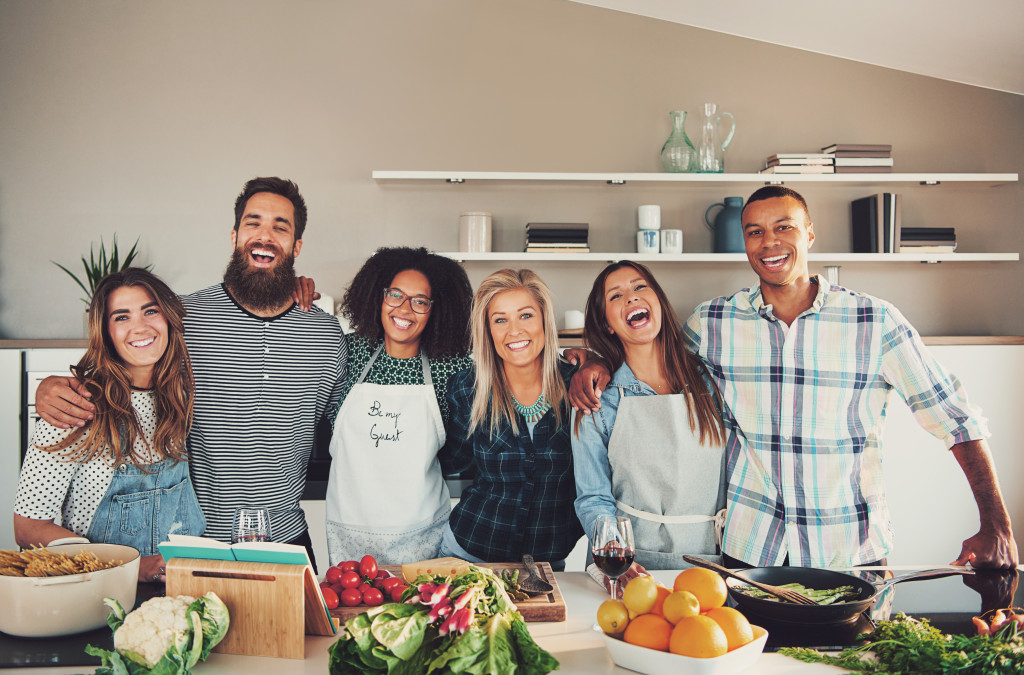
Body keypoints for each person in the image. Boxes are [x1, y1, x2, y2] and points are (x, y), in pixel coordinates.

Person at [571, 186, 1018, 570]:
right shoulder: (713, 323)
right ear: (744, 243)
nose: (770, 243)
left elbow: (956, 420)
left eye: (784, 227)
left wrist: (996, 523)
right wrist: (596, 360)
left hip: (848, 552)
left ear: (809, 233)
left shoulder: (875, 321)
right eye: (755, 232)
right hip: (750, 553)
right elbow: (650, 356)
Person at [34, 177, 346, 569]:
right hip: (195, 543)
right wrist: (51, 387)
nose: (265, 235)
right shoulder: (182, 317)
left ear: (296, 246)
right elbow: (115, 368)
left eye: (280, 226)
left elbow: (343, 429)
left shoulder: (325, 334)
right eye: (253, 223)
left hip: (288, 539)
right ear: (235, 235)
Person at [14, 268, 204, 583]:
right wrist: (131, 568)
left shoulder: (184, 395)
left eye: (150, 311)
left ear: (168, 318)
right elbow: (29, 529)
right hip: (100, 596)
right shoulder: (75, 408)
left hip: (184, 590)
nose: (140, 327)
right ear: (106, 332)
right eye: (121, 317)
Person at [572, 261, 727, 577]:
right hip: (630, 561)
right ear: (607, 325)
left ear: (659, 302)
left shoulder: (711, 381)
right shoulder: (597, 399)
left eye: (640, 287)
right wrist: (613, 554)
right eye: (616, 296)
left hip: (708, 560)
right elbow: (593, 497)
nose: (630, 297)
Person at [326, 247, 473, 565]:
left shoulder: (450, 367)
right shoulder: (348, 352)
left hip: (423, 533)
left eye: (420, 301)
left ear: (436, 309)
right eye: (395, 294)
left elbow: (457, 451)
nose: (405, 309)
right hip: (349, 534)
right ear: (378, 297)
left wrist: (576, 360)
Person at [439, 269, 583, 570]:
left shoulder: (577, 386)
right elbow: (451, 462)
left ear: (545, 319)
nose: (514, 331)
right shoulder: (468, 388)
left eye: (526, 315)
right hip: (470, 554)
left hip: (549, 562)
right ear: (488, 330)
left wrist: (598, 360)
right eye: (500, 319)